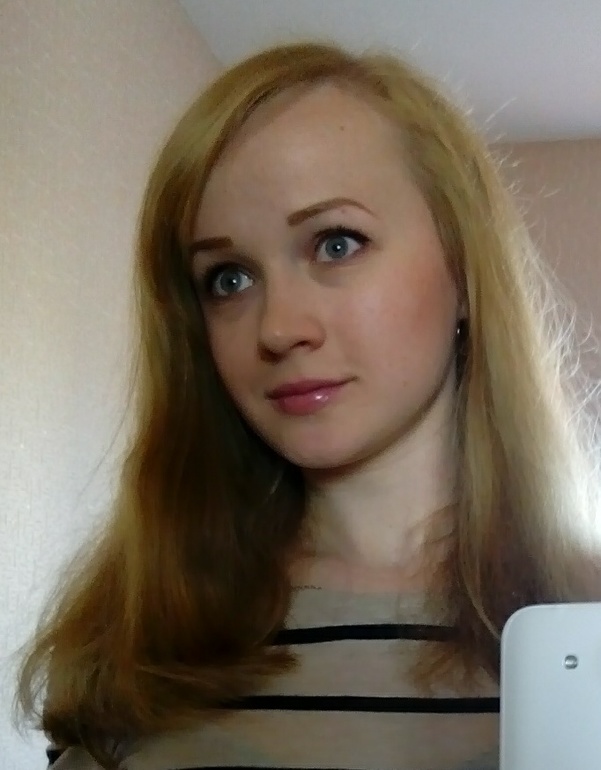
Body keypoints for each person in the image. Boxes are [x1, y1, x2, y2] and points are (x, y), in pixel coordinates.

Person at [16, 39, 601, 770]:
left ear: (462, 265)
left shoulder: (583, 619)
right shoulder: (139, 640)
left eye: (336, 244)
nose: (278, 328)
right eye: (228, 279)